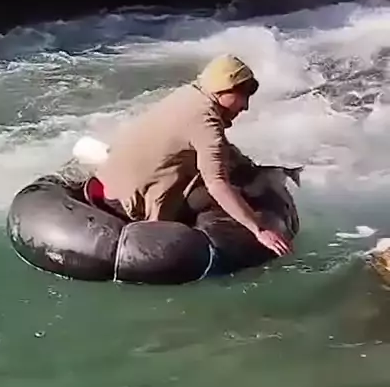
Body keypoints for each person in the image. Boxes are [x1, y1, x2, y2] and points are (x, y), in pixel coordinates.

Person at [96, 54, 292, 256]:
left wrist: (246, 165)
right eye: (242, 96)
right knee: (221, 192)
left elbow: (218, 147)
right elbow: (217, 183)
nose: (245, 106)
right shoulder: (206, 123)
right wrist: (259, 229)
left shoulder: (189, 95)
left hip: (109, 183)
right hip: (127, 206)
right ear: (222, 90)